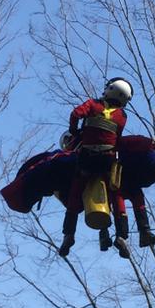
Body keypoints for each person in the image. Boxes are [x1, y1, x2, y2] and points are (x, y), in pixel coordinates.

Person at [58, 78, 133, 257]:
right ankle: (121, 235)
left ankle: (69, 235)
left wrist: (75, 131)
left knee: (76, 193)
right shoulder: (122, 117)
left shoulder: (93, 104)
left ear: (109, 89)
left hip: (87, 158)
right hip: (107, 160)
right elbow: (117, 139)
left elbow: (76, 114)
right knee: (116, 195)